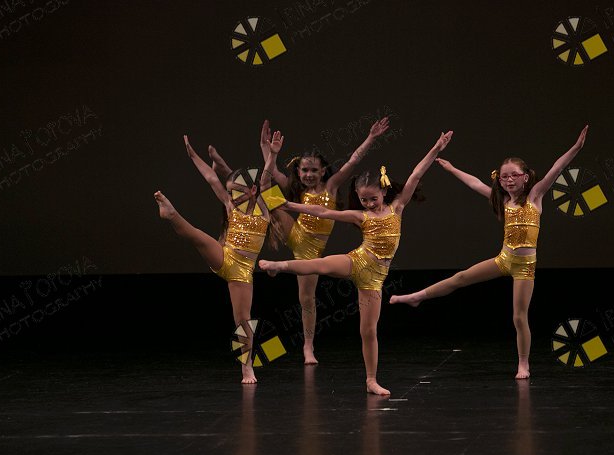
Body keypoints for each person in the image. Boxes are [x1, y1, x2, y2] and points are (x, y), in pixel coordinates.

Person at [259, 130, 454, 395]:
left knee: (368, 332)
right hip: (358, 261)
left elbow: (416, 175)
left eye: (373, 198)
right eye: (363, 200)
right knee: (320, 264)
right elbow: (322, 211)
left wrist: (436, 147)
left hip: (375, 278)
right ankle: (278, 266)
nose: (369, 204)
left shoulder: (397, 207)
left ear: (384, 191)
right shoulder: (360, 216)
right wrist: (291, 206)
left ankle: (371, 380)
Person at [390, 126, 589, 380]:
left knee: (519, 317)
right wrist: (452, 169)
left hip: (525, 266)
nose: (509, 180)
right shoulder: (503, 201)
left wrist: (576, 148)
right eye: (504, 177)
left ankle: (524, 363)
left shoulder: (535, 197)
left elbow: (556, 169)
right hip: (504, 260)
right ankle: (417, 296)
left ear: (526, 177)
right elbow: (475, 183)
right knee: (460, 278)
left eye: (514, 175)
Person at [220, 118, 391, 365]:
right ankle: (244, 206)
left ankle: (307, 345)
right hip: (295, 232)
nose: (309, 175)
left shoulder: (331, 186)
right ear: (298, 171)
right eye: (304, 170)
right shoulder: (296, 187)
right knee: (268, 192)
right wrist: (267, 150)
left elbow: (353, 161)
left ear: (323, 171)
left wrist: (371, 137)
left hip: (310, 249)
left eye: (313, 170)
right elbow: (271, 175)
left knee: (307, 299)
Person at [154, 131, 284, 385]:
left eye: (239, 193)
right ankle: (171, 214)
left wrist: (273, 155)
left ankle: (247, 368)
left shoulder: (265, 209)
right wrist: (193, 155)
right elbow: (211, 178)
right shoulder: (230, 205)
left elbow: (266, 177)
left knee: (243, 321)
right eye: (231, 193)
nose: (233, 197)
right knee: (198, 237)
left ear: (253, 190)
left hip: (242, 272)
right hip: (226, 256)